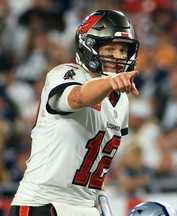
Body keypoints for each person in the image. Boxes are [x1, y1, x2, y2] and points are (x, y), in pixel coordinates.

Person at [8, 9, 140, 216]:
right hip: (43, 203)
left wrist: (99, 198)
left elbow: (93, 161)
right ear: (89, 48)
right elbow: (80, 96)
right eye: (110, 49)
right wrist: (108, 82)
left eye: (123, 51)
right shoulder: (66, 73)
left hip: (84, 207)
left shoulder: (121, 100)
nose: (119, 57)